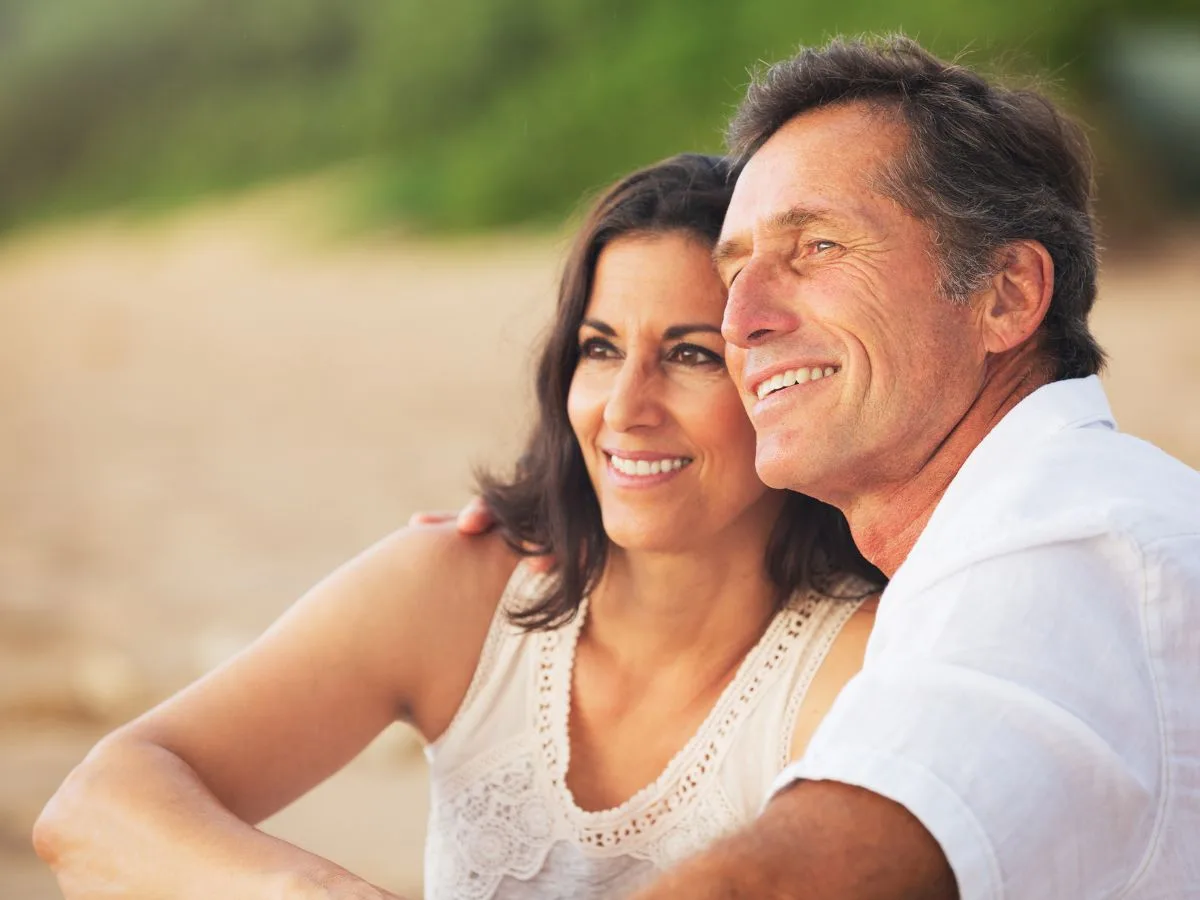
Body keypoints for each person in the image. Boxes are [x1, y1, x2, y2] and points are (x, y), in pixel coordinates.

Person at [32, 154, 885, 899]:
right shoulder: (464, 588)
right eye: (599, 349)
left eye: (691, 354)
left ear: (782, 381)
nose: (625, 409)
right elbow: (93, 809)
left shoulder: (860, 663)